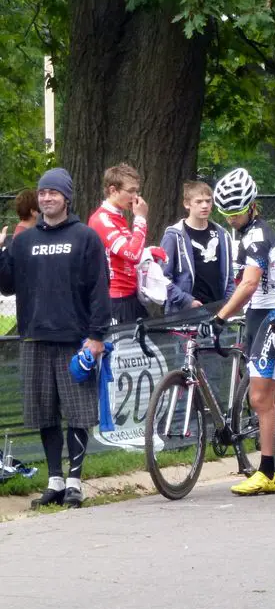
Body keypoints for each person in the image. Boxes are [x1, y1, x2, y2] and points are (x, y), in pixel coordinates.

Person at [0, 168, 111, 509]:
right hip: (34, 338)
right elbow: (7, 285)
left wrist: (96, 336)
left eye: (53, 192)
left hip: (75, 340)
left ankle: (75, 482)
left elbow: (99, 290)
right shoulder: (24, 241)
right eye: (43, 192)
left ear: (66, 197)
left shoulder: (85, 237)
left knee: (78, 414)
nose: (47, 198)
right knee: (44, 414)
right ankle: (55, 481)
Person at [208, 168, 275, 495]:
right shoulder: (250, 232)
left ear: (252, 205)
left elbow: (250, 283)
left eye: (235, 212)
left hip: (269, 317)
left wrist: (221, 316)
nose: (230, 218)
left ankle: (268, 471)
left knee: (260, 398)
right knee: (271, 399)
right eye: (225, 213)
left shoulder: (256, 235)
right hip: (262, 318)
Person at [160, 181, 235, 314]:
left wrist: (229, 303)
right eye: (199, 202)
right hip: (185, 312)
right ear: (187, 204)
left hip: (218, 310)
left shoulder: (223, 235)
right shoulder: (174, 236)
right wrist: (186, 301)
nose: (205, 206)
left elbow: (229, 277)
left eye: (208, 201)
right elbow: (162, 278)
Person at [88, 163, 149, 324]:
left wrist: (149, 253)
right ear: (113, 190)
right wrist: (141, 219)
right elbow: (132, 254)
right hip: (115, 300)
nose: (135, 197)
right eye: (131, 191)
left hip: (130, 296)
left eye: (137, 191)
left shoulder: (118, 216)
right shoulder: (102, 219)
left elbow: (127, 253)